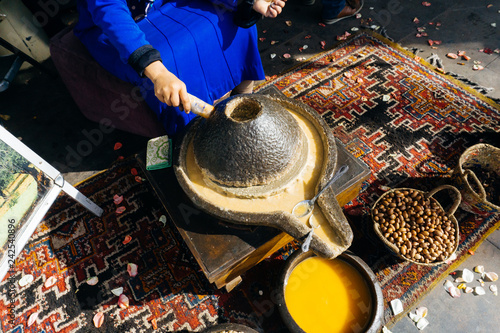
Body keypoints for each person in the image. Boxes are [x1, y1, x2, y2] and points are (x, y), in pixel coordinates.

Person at [74, 0, 286, 136]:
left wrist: (247, 1)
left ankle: (244, 100)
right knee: (169, 60)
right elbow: (109, 12)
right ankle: (196, 136)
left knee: (235, 23)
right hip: (120, 25)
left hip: (166, 3)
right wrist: (158, 72)